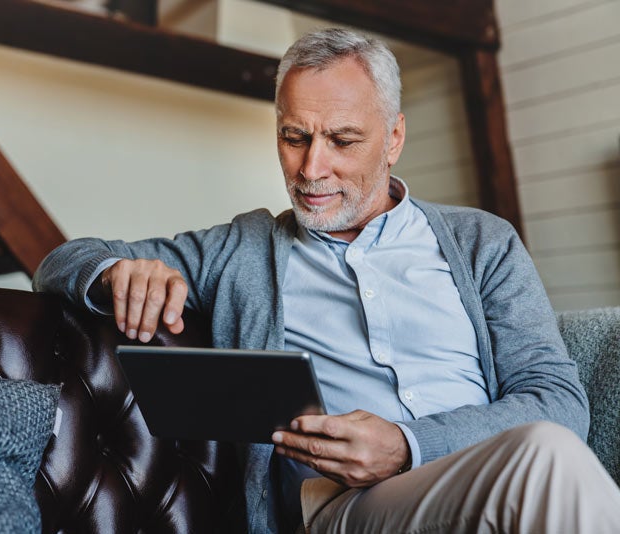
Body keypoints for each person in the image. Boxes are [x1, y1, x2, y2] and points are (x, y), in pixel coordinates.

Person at [34, 28, 620, 533]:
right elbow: (61, 260)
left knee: (549, 453)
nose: (312, 169)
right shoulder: (243, 248)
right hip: (344, 509)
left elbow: (557, 402)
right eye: (294, 138)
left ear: (393, 137)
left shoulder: (482, 243)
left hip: (492, 477)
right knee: (549, 462)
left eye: (342, 140)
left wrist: (409, 445)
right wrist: (115, 271)